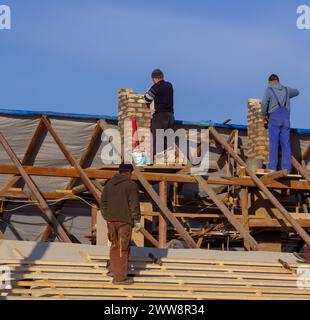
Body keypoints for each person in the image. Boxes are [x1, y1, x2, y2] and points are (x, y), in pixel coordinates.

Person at [100, 163, 141, 285]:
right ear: (129, 173)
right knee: (122, 249)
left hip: (111, 221)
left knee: (114, 246)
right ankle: (119, 278)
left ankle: (113, 270)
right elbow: (134, 204)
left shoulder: (109, 184)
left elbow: (103, 203)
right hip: (124, 222)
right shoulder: (131, 185)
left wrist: (107, 217)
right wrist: (137, 220)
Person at [261, 74, 300, 173]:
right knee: (285, 144)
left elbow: (264, 104)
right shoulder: (287, 90)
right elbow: (297, 92)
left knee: (274, 143)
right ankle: (287, 168)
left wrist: (264, 116)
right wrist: (286, 94)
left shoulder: (269, 90)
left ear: (269, 82)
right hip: (285, 120)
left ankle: (272, 168)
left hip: (274, 119)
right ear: (278, 81)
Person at [144, 69, 174, 159]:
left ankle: (158, 160)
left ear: (154, 78)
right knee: (168, 139)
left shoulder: (156, 87)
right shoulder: (169, 85)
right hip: (170, 116)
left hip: (160, 116)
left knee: (157, 139)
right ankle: (169, 160)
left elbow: (147, 98)